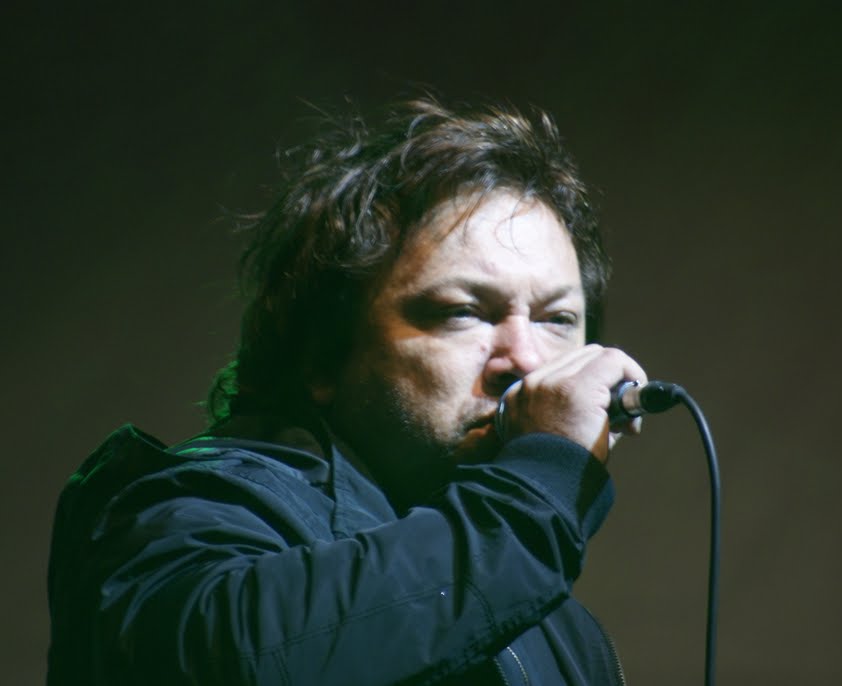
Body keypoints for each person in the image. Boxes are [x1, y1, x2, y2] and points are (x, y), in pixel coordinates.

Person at [47, 95, 648, 685]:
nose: (526, 359)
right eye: (462, 311)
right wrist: (541, 486)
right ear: (322, 353)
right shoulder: (186, 512)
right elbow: (238, 659)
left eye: (557, 319)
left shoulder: (553, 624)